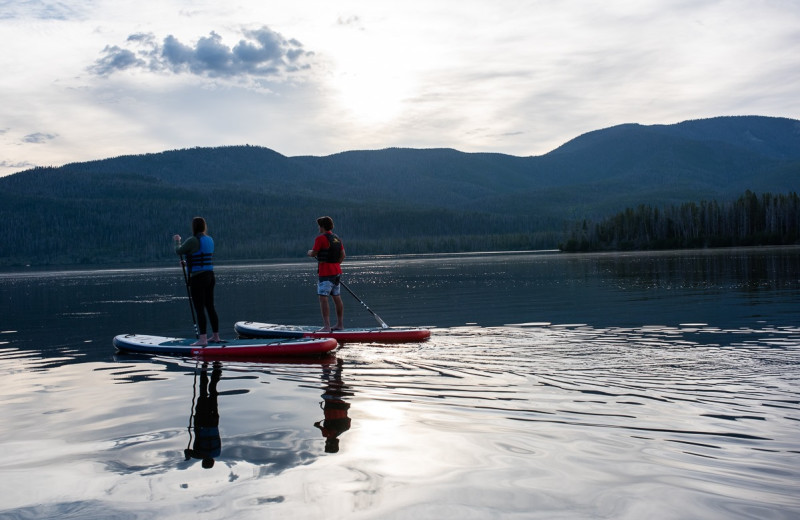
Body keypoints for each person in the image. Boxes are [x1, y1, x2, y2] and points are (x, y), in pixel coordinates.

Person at [173, 217, 222, 346]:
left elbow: (179, 251)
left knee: (199, 308)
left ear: (194, 227)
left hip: (198, 279)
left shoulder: (192, 240)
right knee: (210, 307)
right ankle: (216, 337)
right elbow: (199, 256)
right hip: (210, 276)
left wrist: (177, 241)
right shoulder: (209, 239)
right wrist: (188, 263)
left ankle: (203, 339)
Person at [307, 216, 346, 332]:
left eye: (319, 226)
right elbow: (343, 255)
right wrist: (335, 264)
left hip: (326, 274)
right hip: (337, 272)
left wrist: (309, 252)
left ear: (322, 226)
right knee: (337, 297)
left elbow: (314, 253)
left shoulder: (321, 239)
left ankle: (327, 326)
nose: (318, 228)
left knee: (323, 298)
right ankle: (340, 324)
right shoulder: (336, 238)